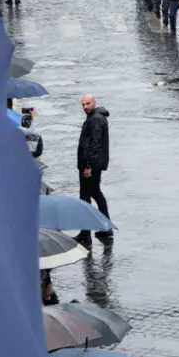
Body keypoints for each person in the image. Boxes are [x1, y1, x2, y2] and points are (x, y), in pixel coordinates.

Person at [76, 94, 111, 245]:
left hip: (90, 166)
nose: (85, 107)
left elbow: (95, 145)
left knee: (85, 197)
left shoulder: (96, 119)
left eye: (88, 104)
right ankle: (105, 228)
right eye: (83, 104)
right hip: (92, 165)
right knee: (95, 193)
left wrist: (88, 166)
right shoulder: (95, 117)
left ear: (94, 103)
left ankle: (86, 233)